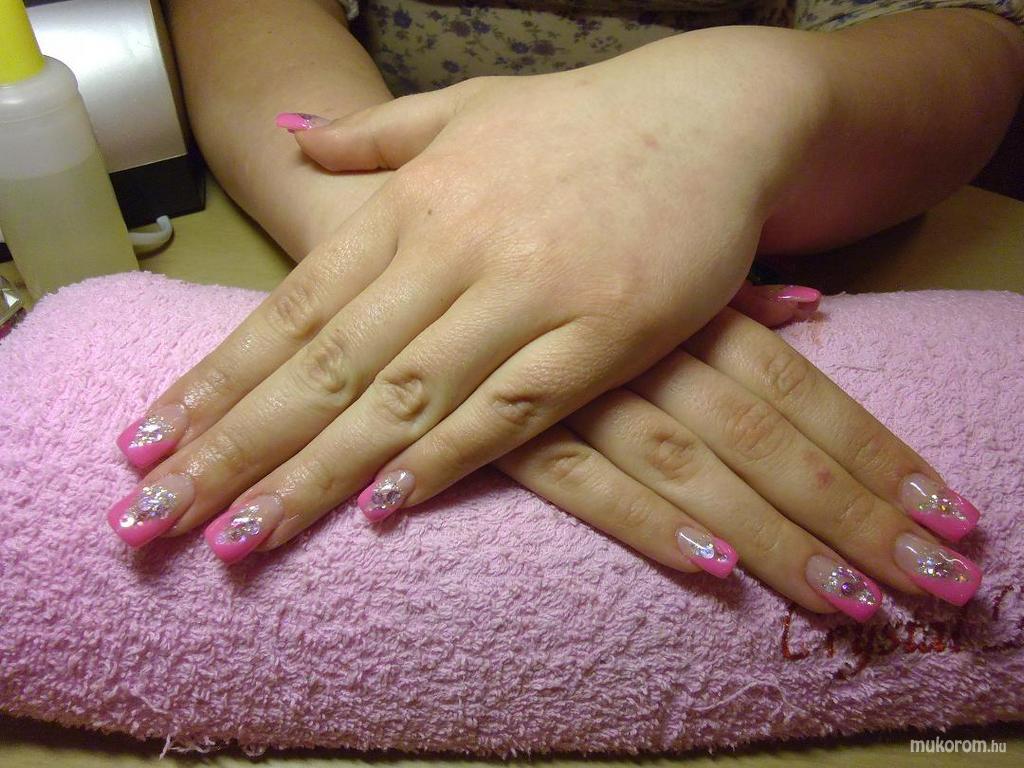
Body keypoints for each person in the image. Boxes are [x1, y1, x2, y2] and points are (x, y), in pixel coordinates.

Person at [107, 0, 1022, 622]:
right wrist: (402, 233)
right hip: (389, 184)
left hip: (824, 199)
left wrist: (738, 101)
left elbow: (971, 39)